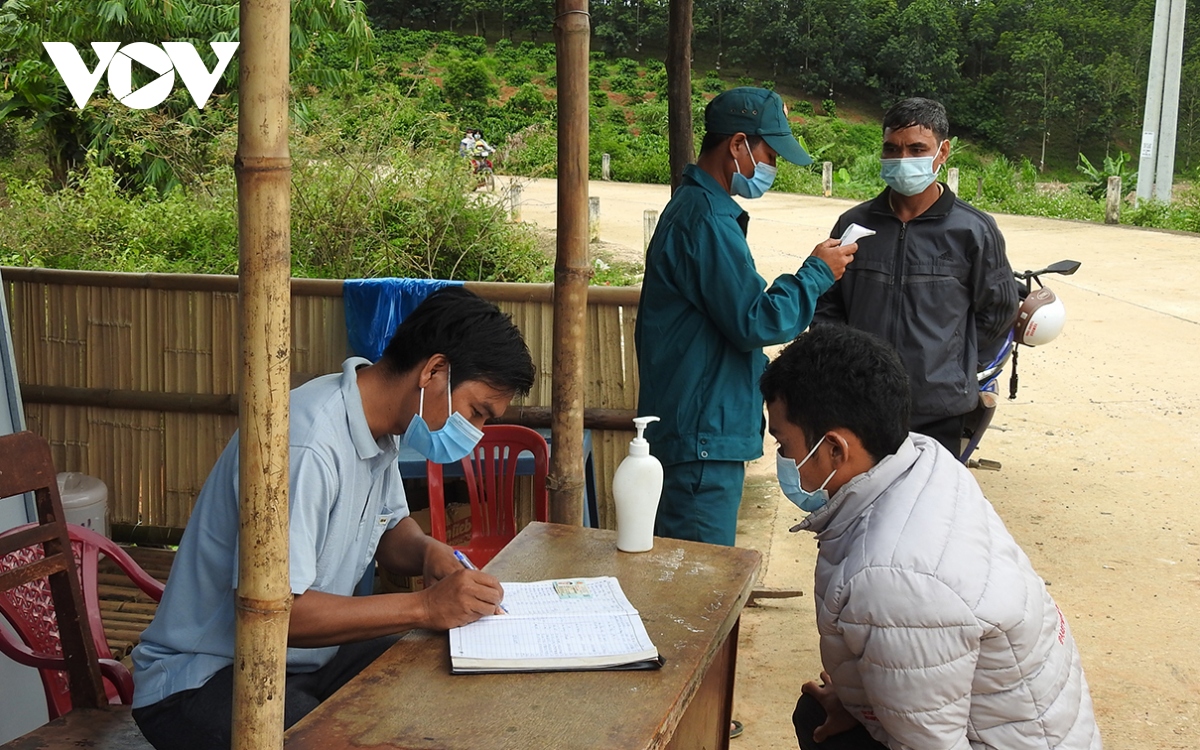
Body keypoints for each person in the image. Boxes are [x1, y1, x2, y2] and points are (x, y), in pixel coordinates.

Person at [131, 287, 536, 750]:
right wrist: (426, 606)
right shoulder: (306, 445)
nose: (477, 433)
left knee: (439, 673)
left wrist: (429, 553)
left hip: (301, 662)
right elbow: (278, 616)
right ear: (434, 371)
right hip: (205, 678)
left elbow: (388, 530)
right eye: (477, 412)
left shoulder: (383, 427)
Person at [760, 325, 1102, 750]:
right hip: (1029, 725)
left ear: (835, 449)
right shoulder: (926, 461)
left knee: (822, 731)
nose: (782, 458)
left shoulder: (892, 579)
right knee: (818, 711)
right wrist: (860, 703)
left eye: (783, 443)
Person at [635, 86, 858, 547]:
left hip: (703, 430)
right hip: (701, 437)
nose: (772, 167)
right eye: (769, 153)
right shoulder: (705, 221)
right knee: (698, 587)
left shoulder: (701, 212)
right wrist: (817, 273)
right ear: (737, 145)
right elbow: (756, 320)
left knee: (694, 575)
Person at [812, 97, 1019, 459]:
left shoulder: (973, 230)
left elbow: (1000, 311)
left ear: (943, 152)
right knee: (864, 509)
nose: (902, 160)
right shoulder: (854, 226)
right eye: (892, 149)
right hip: (862, 405)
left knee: (930, 510)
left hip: (939, 408)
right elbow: (828, 305)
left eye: (916, 149)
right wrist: (847, 366)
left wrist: (953, 362)